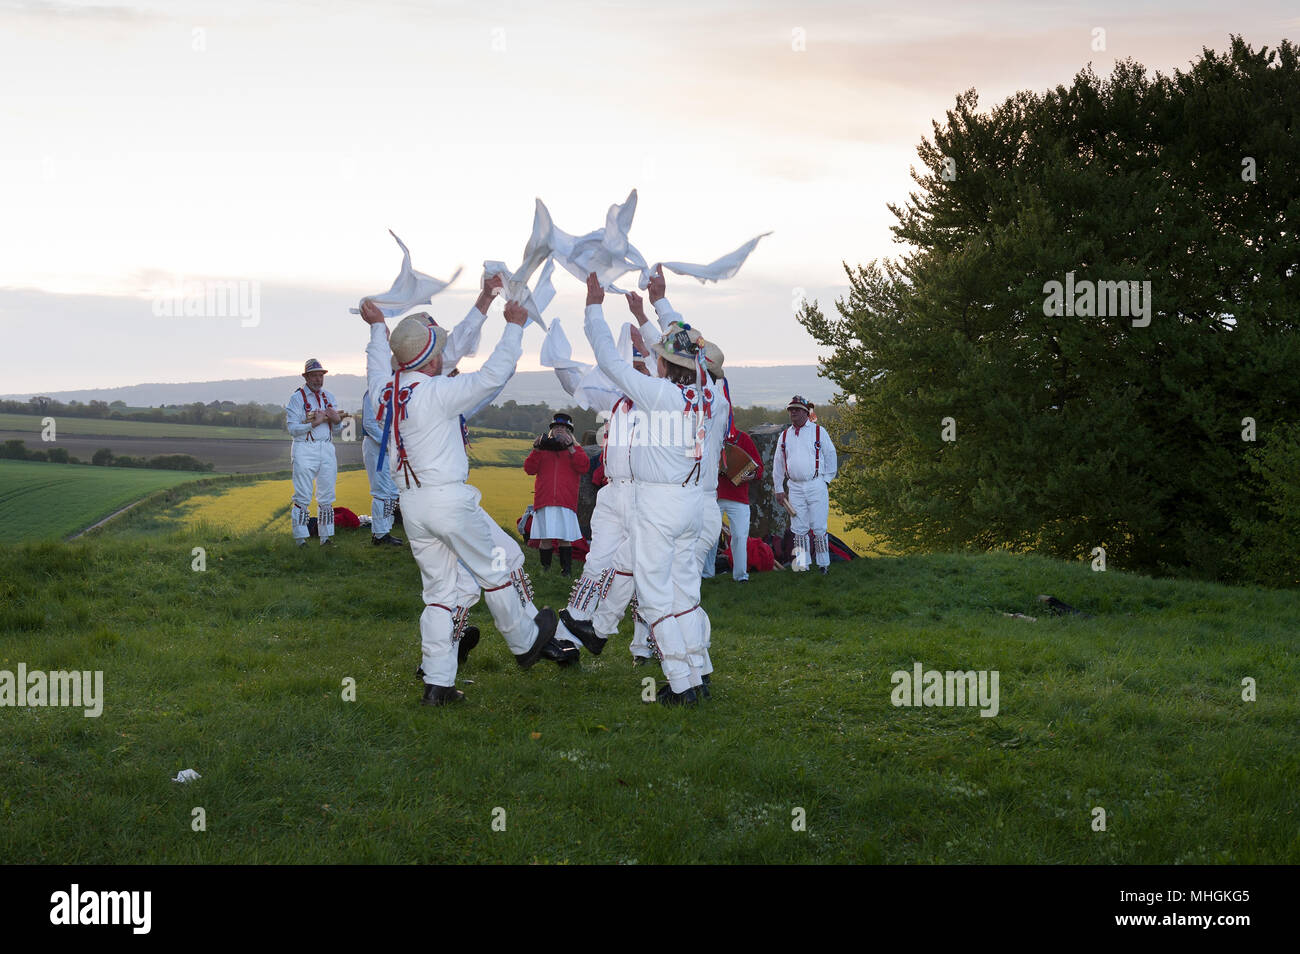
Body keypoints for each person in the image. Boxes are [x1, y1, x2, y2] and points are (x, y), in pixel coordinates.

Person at [360, 279, 558, 707]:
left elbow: (378, 362)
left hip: (412, 505)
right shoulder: (437, 394)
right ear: (431, 361)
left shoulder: (384, 390)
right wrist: (515, 327)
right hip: (448, 499)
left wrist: (377, 326)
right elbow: (492, 376)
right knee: (497, 567)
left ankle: (438, 684)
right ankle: (524, 642)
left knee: (439, 594)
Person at [578, 271, 728, 706]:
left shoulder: (658, 395)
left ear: (663, 365)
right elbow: (686, 348)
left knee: (656, 596)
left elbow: (609, 360)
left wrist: (593, 307)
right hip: (692, 505)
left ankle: (682, 685)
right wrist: (656, 309)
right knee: (684, 592)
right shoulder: (713, 397)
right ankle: (698, 670)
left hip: (659, 506)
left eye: (658, 356)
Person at [772, 395, 838, 574]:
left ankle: (823, 564)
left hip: (816, 484)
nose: (792, 412)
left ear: (805, 412)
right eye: (790, 409)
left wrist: (826, 479)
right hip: (794, 487)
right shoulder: (784, 435)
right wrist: (779, 489)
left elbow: (831, 454)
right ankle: (801, 565)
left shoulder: (818, 431)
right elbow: (777, 464)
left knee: (818, 526)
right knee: (798, 528)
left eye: (796, 409)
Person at [523, 412, 589, 575]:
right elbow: (529, 469)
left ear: (570, 432)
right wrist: (536, 450)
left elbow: (584, 467)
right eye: (556, 427)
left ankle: (565, 570)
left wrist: (571, 449)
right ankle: (545, 569)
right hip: (544, 500)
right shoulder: (543, 449)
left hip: (565, 501)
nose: (560, 430)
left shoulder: (576, 450)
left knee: (564, 538)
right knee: (545, 538)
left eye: (564, 428)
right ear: (551, 430)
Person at [285, 358, 341, 547]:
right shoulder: (296, 398)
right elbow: (292, 429)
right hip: (304, 447)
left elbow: (339, 430)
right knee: (303, 494)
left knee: (327, 494)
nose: (318, 379)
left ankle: (326, 538)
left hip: (326, 447)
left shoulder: (329, 397)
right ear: (306, 377)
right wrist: (314, 423)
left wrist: (337, 421)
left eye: (320, 375)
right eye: (314, 376)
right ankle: (301, 540)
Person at [707, 427, 762, 581]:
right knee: (710, 535)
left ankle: (741, 575)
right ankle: (706, 574)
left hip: (738, 497)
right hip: (713, 495)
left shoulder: (742, 438)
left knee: (739, 535)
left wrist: (746, 475)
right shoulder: (709, 437)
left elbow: (759, 469)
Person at [361, 386, 403, 546]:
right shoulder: (372, 393)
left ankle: (385, 530)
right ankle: (379, 535)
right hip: (376, 445)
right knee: (381, 491)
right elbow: (369, 424)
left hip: (390, 447)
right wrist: (388, 442)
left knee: (392, 491)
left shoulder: (395, 393)